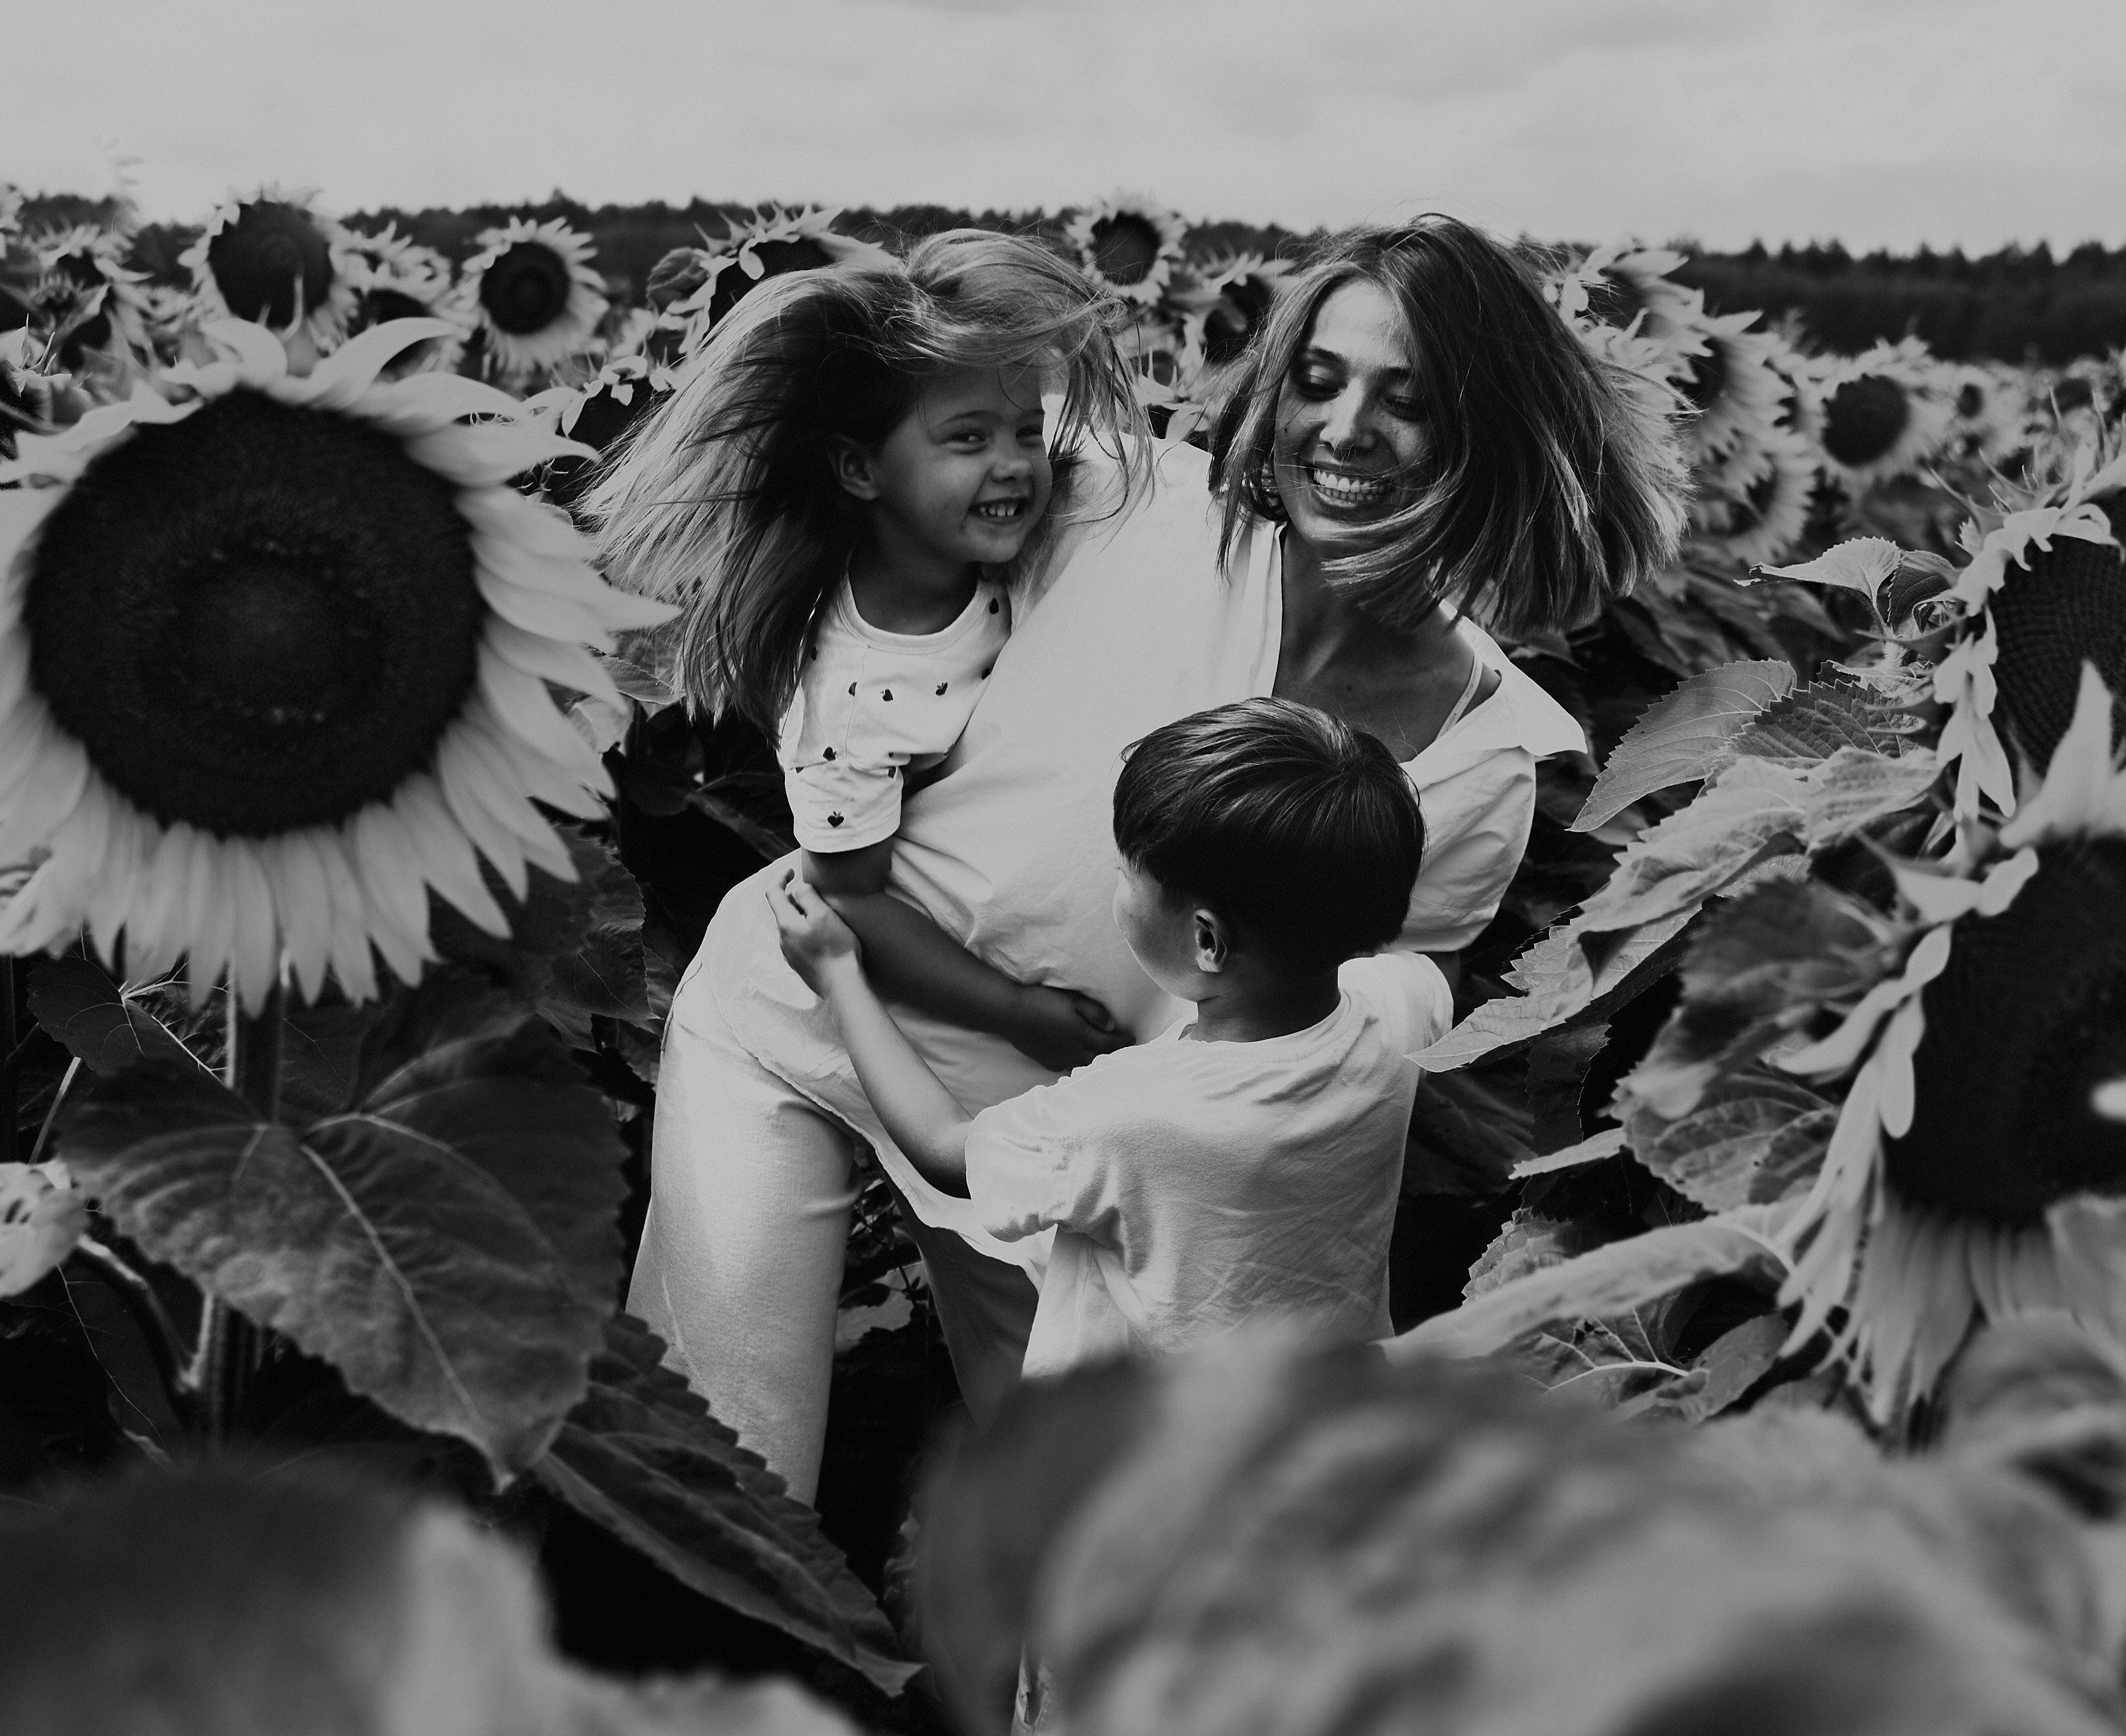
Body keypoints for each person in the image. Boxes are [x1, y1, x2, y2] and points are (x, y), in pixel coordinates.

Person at [622, 215, 1683, 1500]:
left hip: (1072, 1164)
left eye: (1406, 400)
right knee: (728, 1497)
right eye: (1317, 378)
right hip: (797, 1017)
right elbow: (914, 416)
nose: (1343, 430)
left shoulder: (1471, 771)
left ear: (1490, 436)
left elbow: (1308, 1069)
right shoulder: (1136, 505)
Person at [591, 224, 1153, 1064]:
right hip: (844, 1039)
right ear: (859, 470)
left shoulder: (997, 541)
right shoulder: (855, 696)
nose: (1014, 465)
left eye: (1024, 433)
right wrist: (1015, 1011)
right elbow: (849, 897)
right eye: (969, 439)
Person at [771, 701, 1435, 1378]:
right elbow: (1409, 972)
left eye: (1125, 874)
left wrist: (838, 973)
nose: (1115, 884)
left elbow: (947, 1152)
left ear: (1207, 941)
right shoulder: (1406, 1005)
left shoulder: (1131, 1116)